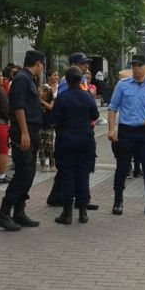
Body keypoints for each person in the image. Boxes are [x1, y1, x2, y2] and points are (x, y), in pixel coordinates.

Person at [0, 50, 45, 232]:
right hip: (24, 130)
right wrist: (24, 132)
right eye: (42, 65)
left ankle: (19, 211)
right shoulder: (22, 79)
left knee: (29, 173)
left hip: (32, 129)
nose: (42, 68)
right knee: (23, 172)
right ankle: (4, 213)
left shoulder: (28, 79)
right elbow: (19, 107)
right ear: (38, 63)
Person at [108, 54, 145, 216]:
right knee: (122, 168)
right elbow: (113, 108)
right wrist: (111, 130)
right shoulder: (123, 85)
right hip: (126, 132)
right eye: (133, 65)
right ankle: (118, 201)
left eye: (139, 65)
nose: (136, 68)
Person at [47, 53, 99, 211]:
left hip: (81, 131)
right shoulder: (66, 83)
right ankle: (73, 200)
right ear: (74, 65)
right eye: (83, 64)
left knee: (72, 169)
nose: (87, 67)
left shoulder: (82, 81)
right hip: (72, 131)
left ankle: (62, 197)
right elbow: (62, 106)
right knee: (73, 169)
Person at [38, 74, 57, 172]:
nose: (39, 92)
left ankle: (52, 164)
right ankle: (42, 165)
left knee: (49, 145)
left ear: (46, 93)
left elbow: (51, 107)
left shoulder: (51, 100)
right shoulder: (37, 102)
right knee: (41, 145)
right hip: (40, 126)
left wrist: (42, 101)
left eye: (40, 91)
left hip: (49, 126)